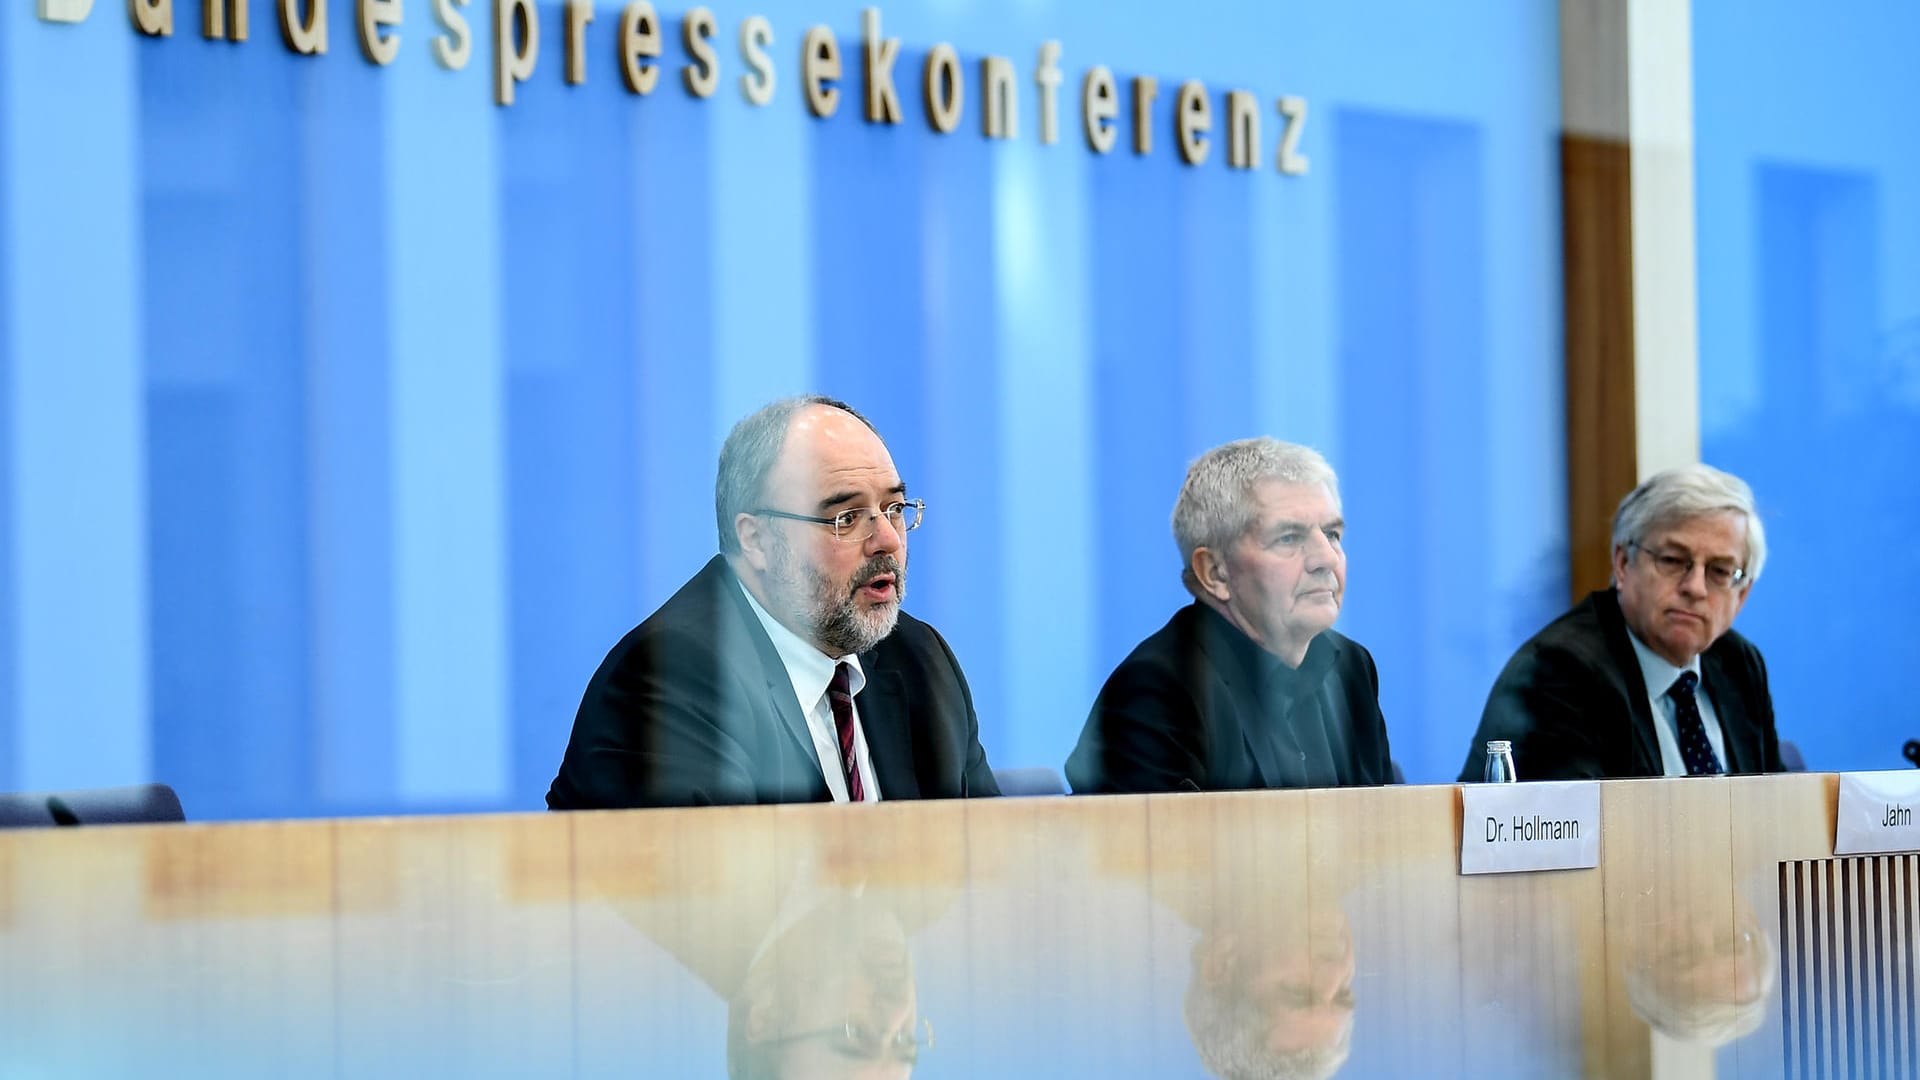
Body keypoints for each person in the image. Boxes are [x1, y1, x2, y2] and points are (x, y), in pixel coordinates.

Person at [547, 395, 999, 809]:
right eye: (846, 517)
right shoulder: (668, 678)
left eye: (895, 509)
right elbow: (724, 889)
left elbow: (991, 863)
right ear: (756, 540)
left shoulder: (921, 662)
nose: (886, 540)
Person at [1066, 438, 1394, 793]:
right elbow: (1165, 848)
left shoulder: (1351, 667)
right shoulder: (1155, 692)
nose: (1326, 559)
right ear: (1215, 572)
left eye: (1332, 534)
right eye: (1288, 538)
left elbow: (1380, 835)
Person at [1456, 463, 1783, 781]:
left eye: (1720, 571)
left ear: (1741, 594)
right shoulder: (1562, 671)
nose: (1695, 588)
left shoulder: (1738, 664)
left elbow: (1775, 812)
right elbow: (1577, 831)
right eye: (1672, 560)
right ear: (1624, 563)